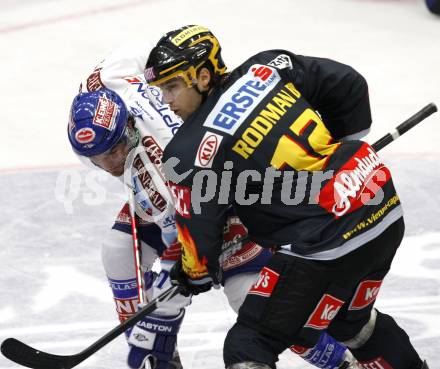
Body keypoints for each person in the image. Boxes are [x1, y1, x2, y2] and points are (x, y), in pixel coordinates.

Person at [144, 25, 428, 369]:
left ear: (203, 76)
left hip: (326, 241)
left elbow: (201, 250)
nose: (167, 101)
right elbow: (349, 85)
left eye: (172, 87)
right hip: (378, 202)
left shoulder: (185, 152)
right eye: (161, 90)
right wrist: (331, 158)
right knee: (350, 323)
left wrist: (191, 276)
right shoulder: (267, 67)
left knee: (248, 345)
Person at [69, 47, 352, 369]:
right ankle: (153, 353)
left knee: (252, 305)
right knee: (118, 252)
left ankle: (343, 361)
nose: (110, 164)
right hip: (201, 190)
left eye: (116, 151)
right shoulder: (106, 81)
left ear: (130, 128)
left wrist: (170, 297)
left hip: (230, 210)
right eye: (99, 158)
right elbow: (123, 61)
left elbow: (184, 238)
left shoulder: (165, 167)